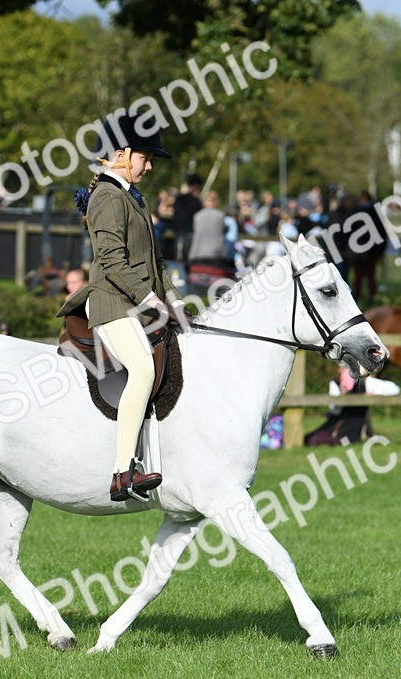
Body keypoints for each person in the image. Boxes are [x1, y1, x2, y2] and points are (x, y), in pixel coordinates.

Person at [57, 113, 181, 502]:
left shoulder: (132, 197)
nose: (149, 165)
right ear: (122, 153)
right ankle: (123, 472)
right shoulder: (107, 197)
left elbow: (156, 261)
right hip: (112, 303)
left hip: (138, 301)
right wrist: (151, 299)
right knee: (142, 369)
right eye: (146, 157)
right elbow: (111, 260)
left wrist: (175, 300)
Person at [306, 365, 399, 446]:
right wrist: (342, 396)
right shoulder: (335, 383)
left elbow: (395, 389)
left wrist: (374, 393)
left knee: (320, 440)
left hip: (351, 431)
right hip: (334, 425)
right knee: (310, 438)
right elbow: (334, 410)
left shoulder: (365, 382)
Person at [188, 190, 230, 269]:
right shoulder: (221, 215)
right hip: (216, 253)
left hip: (198, 253)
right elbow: (225, 229)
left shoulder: (197, 216)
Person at [171, 174, 203, 261]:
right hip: (189, 232)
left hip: (179, 231)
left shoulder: (179, 199)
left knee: (179, 258)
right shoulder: (196, 201)